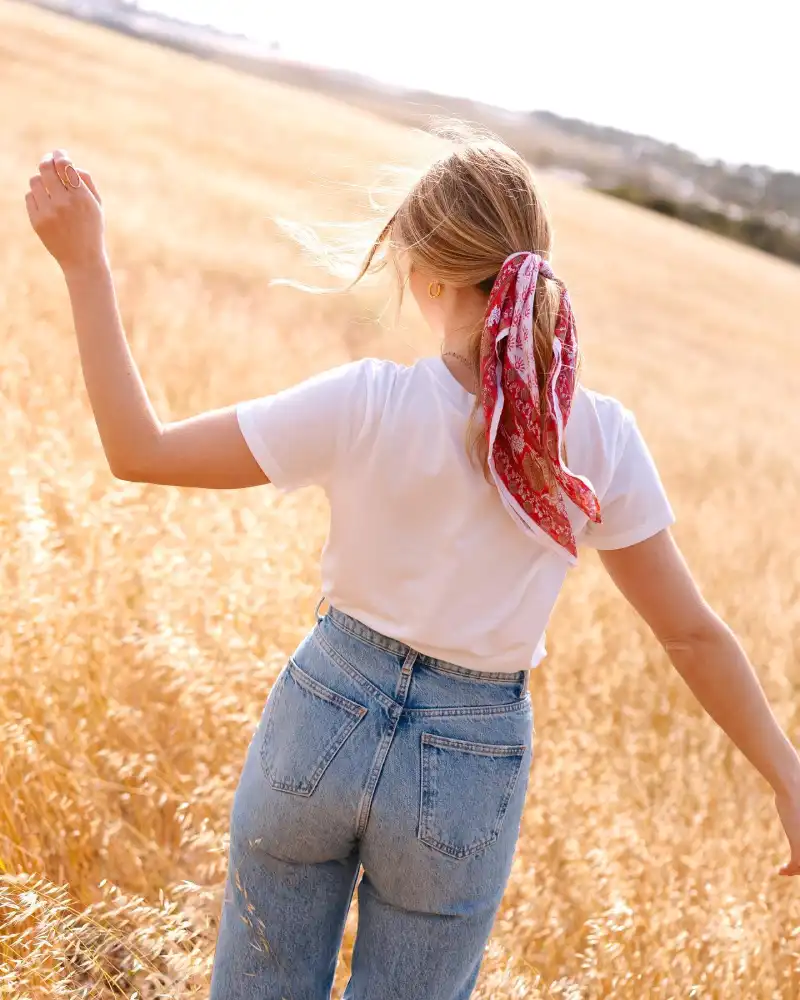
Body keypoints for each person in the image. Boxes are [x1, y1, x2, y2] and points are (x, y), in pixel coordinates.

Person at [25, 140, 800, 1000]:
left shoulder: (366, 402)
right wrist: (787, 775)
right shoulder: (599, 439)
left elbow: (140, 450)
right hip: (469, 759)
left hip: (321, 717)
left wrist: (85, 263)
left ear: (425, 269)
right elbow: (691, 634)